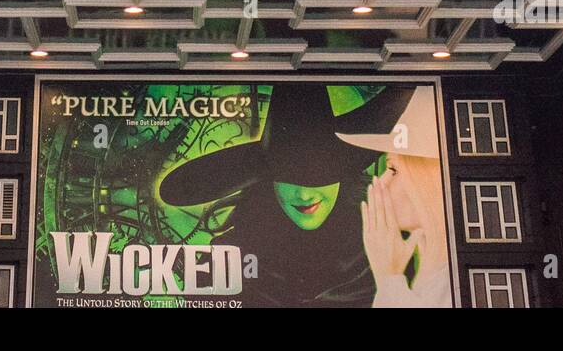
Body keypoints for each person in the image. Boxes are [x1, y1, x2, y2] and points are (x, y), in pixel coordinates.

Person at [156, 83, 410, 307]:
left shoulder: (383, 254)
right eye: (288, 176)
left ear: (343, 176)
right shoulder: (224, 263)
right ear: (268, 181)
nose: (303, 193)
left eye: (320, 176)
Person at [336, 85, 455, 308]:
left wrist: (388, 279)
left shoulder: (449, 281)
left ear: (428, 181)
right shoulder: (435, 275)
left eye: (394, 169)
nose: (381, 182)